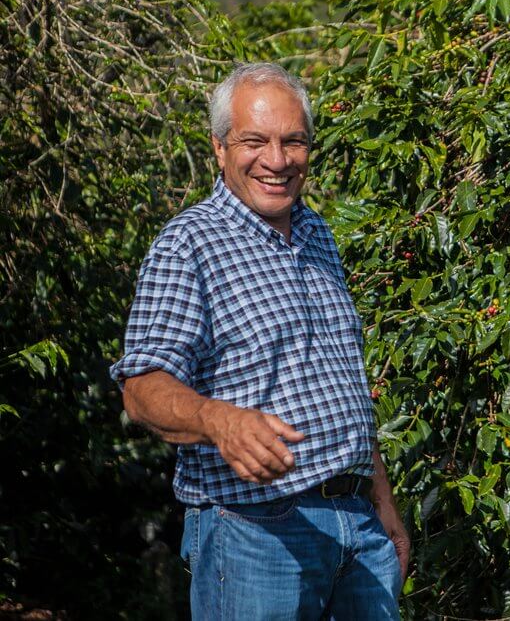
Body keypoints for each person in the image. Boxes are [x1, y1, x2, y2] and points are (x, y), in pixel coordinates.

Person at [110, 62, 410, 619]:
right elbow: (142, 386)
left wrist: (382, 501)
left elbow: (343, 381)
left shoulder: (317, 233)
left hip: (358, 524)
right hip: (255, 532)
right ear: (219, 148)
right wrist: (219, 420)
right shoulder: (189, 244)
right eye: (255, 141)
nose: (277, 159)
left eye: (293, 141)